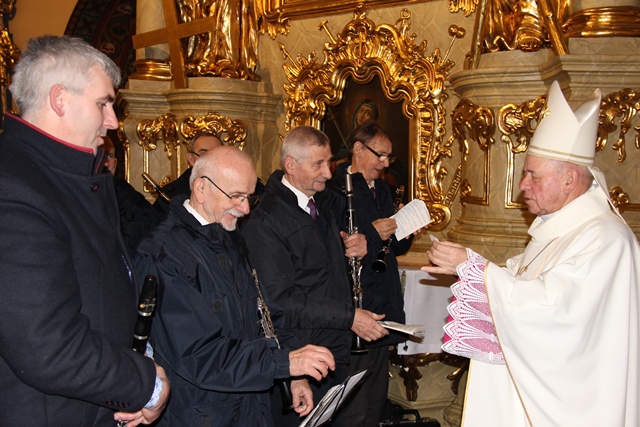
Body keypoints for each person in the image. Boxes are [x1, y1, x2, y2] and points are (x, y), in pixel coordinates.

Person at [422, 81, 640, 426]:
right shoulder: (559, 228)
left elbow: (558, 317)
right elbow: (528, 284)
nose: (522, 185)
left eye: (532, 175)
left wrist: (477, 271)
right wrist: (470, 268)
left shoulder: (605, 240)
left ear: (569, 180)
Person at [0, 35, 169, 427]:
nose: (112, 122)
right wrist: (145, 384)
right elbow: (47, 346)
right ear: (60, 99)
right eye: (103, 104)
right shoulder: (14, 188)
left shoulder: (65, 176)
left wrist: (137, 359)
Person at [135, 145, 336, 426]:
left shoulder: (227, 236)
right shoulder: (166, 254)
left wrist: (294, 373)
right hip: (199, 414)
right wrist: (283, 363)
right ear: (201, 189)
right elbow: (199, 355)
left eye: (249, 197)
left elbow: (266, 315)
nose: (245, 209)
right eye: (236, 196)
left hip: (248, 406)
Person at [241, 125, 389, 426]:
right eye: (318, 164)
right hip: (301, 354)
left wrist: (350, 250)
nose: (328, 173)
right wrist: (349, 317)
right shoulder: (266, 221)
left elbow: (320, 276)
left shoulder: (317, 206)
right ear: (291, 165)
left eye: (329, 162)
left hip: (330, 348)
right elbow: (279, 302)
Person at [326, 121, 414, 426]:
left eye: (390, 157)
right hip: (356, 305)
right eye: (381, 155)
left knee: (375, 403)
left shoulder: (383, 189)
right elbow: (340, 245)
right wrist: (374, 233)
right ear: (358, 149)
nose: (386, 163)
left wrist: (405, 229)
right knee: (354, 406)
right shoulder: (334, 190)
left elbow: (392, 248)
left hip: (383, 300)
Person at [99, 135, 163, 258]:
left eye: (110, 156)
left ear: (115, 163)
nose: (106, 163)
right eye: (101, 155)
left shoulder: (127, 193)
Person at [153, 131, 222, 215]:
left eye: (216, 154)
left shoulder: (234, 187)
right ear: (191, 159)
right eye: (203, 154)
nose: (210, 160)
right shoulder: (170, 195)